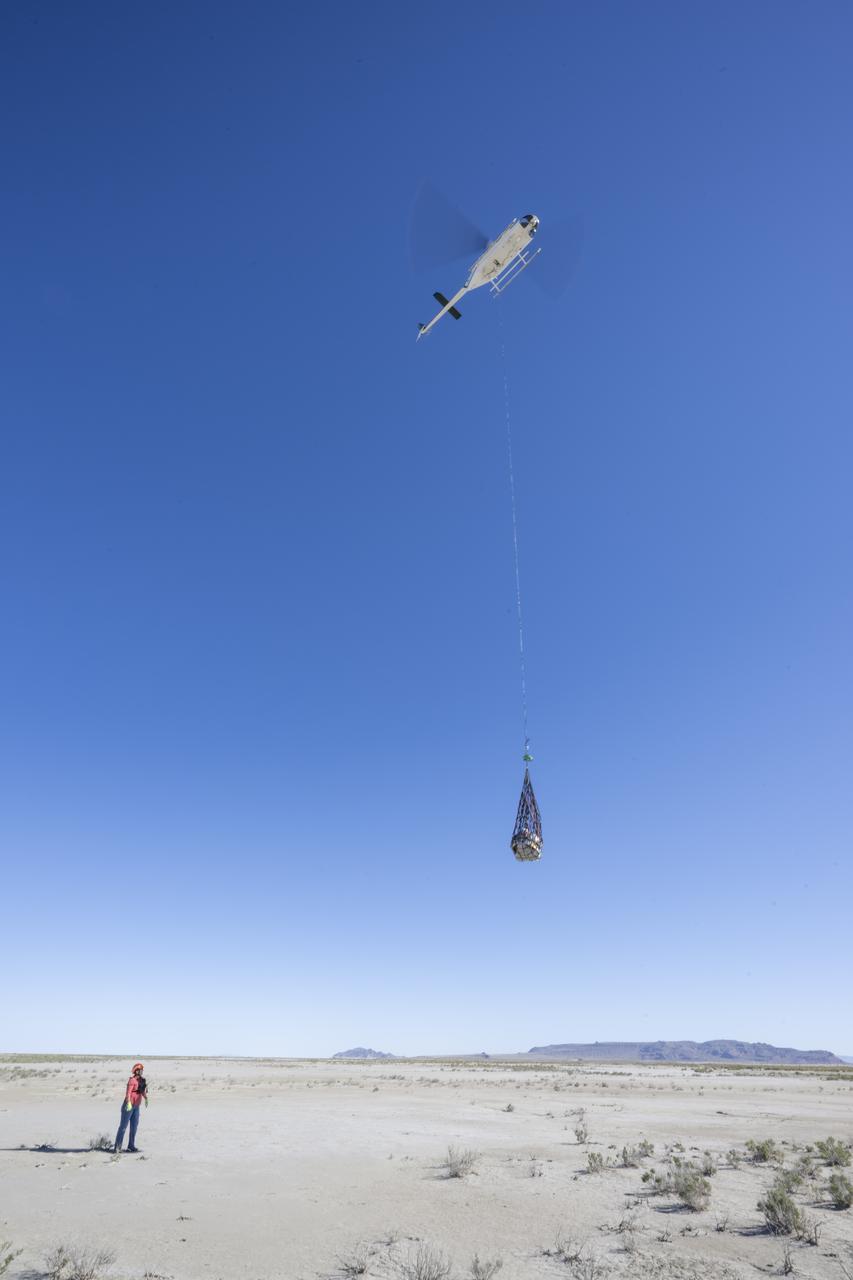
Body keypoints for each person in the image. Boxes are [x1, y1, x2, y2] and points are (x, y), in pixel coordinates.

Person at [114, 1062, 148, 1153]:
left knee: (134, 1127)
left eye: (142, 1070)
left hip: (136, 1107)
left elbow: (142, 1091)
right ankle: (117, 1147)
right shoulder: (132, 1080)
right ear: (136, 1071)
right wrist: (128, 1102)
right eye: (140, 1070)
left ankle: (131, 1146)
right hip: (128, 1106)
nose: (142, 1071)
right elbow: (128, 1093)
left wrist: (146, 1098)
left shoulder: (141, 1080)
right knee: (123, 1127)